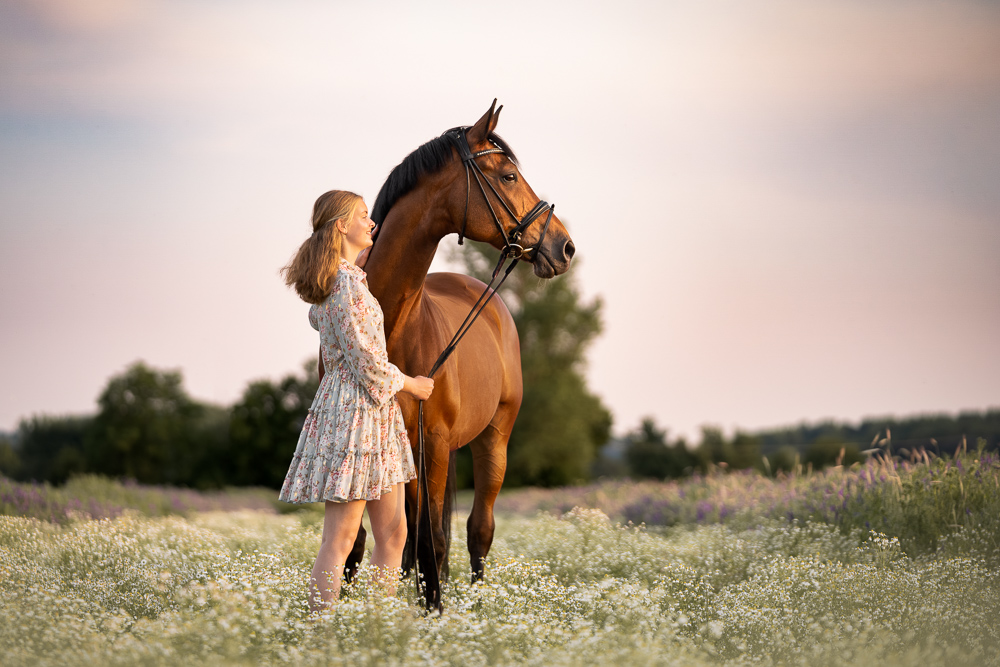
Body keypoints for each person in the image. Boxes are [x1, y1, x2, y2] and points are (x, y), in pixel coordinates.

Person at [279, 189, 433, 611]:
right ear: (341, 225)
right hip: (357, 412)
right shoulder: (344, 284)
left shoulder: (341, 280)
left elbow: (322, 319)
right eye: (363, 216)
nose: (372, 223)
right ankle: (319, 632)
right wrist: (413, 385)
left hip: (368, 413)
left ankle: (374, 628)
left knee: (394, 533)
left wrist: (354, 270)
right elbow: (367, 361)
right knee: (341, 538)